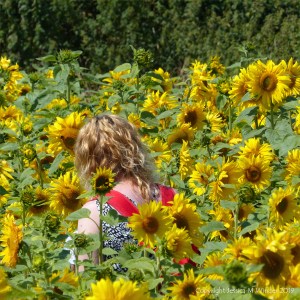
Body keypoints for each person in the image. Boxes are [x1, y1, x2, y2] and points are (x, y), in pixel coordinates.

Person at [72, 113, 176, 270]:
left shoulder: (94, 211)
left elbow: (86, 278)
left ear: (87, 160)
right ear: (135, 148)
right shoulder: (173, 196)